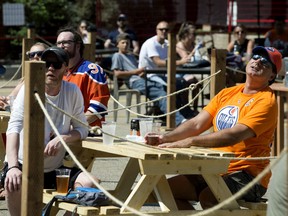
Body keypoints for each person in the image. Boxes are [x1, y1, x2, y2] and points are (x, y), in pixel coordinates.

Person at [151, 46, 282, 209]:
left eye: (265, 63)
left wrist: (190, 141)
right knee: (161, 190)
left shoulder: (266, 102)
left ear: (272, 76)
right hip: (214, 167)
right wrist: (165, 138)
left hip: (249, 175)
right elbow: (196, 123)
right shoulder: (228, 93)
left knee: (210, 198)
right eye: (255, 57)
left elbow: (234, 135)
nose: (257, 61)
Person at [4, 47, 99, 216]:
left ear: (65, 68)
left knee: (91, 183)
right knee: (13, 182)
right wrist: (12, 167)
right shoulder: (29, 90)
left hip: (54, 169)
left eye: (56, 65)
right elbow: (13, 128)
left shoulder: (72, 91)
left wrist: (63, 138)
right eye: (46, 63)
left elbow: (83, 129)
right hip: (23, 165)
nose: (50, 68)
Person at [111, 33, 188, 126]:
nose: (126, 45)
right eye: (123, 43)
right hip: (135, 82)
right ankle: (179, 120)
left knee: (168, 88)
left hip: (144, 78)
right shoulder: (117, 56)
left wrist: (141, 72)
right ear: (117, 44)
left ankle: (172, 115)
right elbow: (117, 73)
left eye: (127, 43)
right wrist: (136, 72)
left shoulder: (131, 56)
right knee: (161, 95)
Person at [138, 21, 197, 119]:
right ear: (156, 30)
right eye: (161, 29)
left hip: (164, 74)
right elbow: (159, 62)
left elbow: (172, 59)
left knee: (183, 83)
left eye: (166, 29)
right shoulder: (151, 43)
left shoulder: (167, 43)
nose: (164, 31)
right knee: (171, 86)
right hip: (149, 75)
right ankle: (173, 115)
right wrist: (181, 62)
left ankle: (185, 110)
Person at [56, 27, 110, 127]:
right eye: (58, 43)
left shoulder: (92, 71)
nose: (61, 46)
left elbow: (99, 107)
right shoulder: (57, 72)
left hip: (89, 134)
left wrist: (70, 128)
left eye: (66, 42)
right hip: (61, 133)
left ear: (77, 46)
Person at [0, 42, 49, 111]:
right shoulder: (26, 79)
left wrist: (8, 107)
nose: (35, 57)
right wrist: (3, 100)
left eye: (40, 54)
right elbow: (11, 98)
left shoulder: (51, 77)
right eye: (31, 55)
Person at [176, 25, 203, 111]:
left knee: (196, 83)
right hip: (179, 71)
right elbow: (186, 59)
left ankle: (194, 108)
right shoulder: (180, 45)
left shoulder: (192, 44)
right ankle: (186, 107)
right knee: (191, 81)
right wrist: (196, 49)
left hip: (190, 70)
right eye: (193, 34)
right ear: (186, 34)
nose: (195, 36)